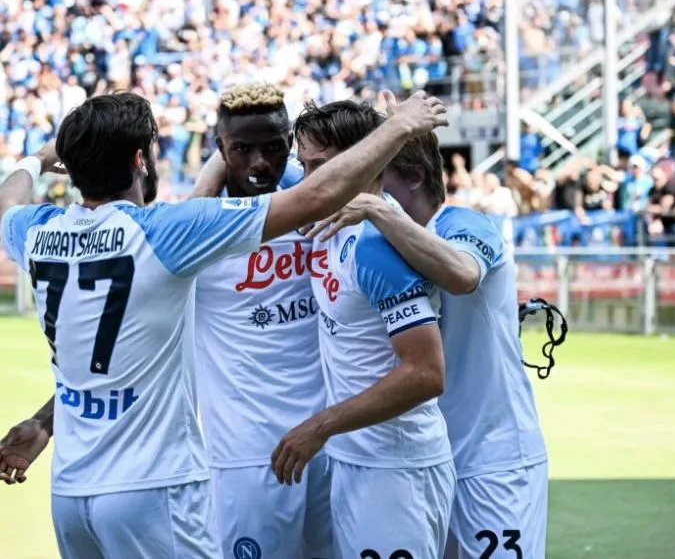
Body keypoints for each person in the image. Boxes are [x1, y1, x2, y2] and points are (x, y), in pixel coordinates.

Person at [0, 89, 448, 558]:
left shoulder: (39, 233)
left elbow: (4, 206)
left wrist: (38, 159)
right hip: (164, 482)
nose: (259, 162)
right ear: (141, 160)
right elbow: (321, 193)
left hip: (72, 489)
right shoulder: (171, 232)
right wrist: (400, 125)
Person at [306, 95, 551, 559]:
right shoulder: (372, 244)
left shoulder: (466, 224)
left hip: (492, 457)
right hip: (424, 454)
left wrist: (381, 210)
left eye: (378, 173)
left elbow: (461, 275)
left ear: (413, 177)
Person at [269, 99, 455, 559]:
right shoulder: (327, 215)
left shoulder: (376, 246)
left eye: (322, 165)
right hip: (355, 458)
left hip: (397, 468)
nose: (309, 178)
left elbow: (426, 373)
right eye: (304, 164)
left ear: (363, 160)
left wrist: (321, 425)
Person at [185, 83, 331, 558]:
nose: (259, 163)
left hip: (331, 438)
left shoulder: (317, 204)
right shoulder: (196, 227)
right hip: (247, 452)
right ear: (220, 148)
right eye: (241, 150)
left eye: (273, 147)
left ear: (290, 144)